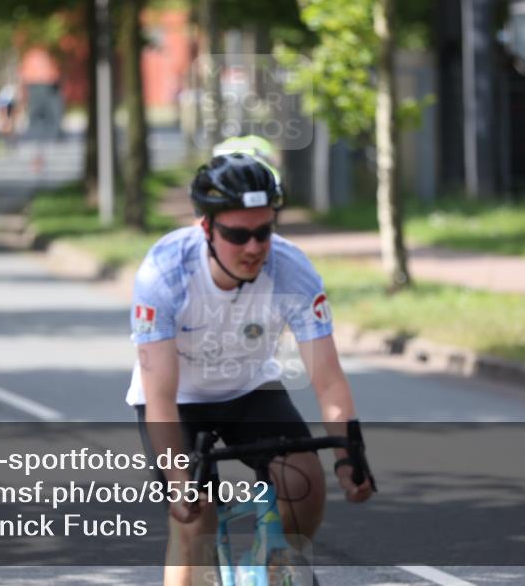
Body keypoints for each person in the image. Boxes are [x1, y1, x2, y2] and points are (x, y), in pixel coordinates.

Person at [127, 149, 373, 586]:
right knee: (194, 525)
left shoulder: (290, 269)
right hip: (179, 401)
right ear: (206, 227)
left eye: (264, 232)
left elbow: (329, 380)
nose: (255, 247)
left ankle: (277, 568)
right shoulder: (164, 274)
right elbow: (160, 396)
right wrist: (181, 483)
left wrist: (348, 456)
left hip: (250, 390)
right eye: (238, 235)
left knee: (306, 484)